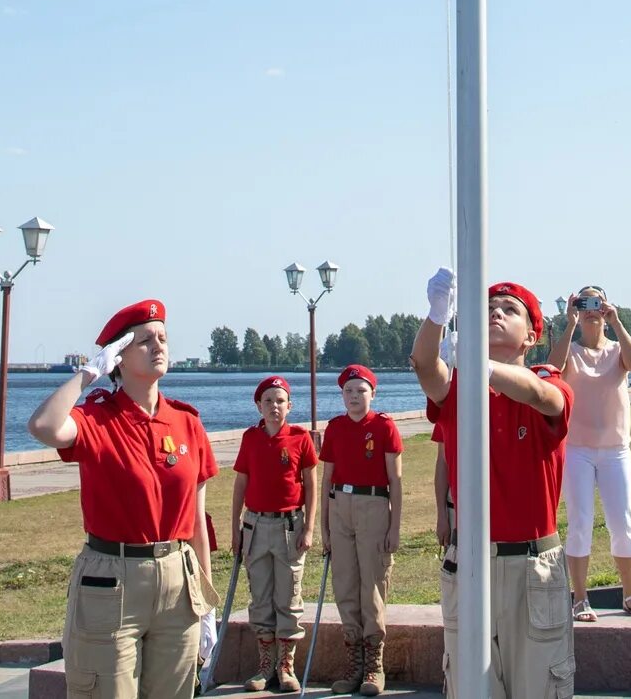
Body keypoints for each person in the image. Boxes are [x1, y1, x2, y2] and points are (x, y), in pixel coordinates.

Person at [26, 299, 216, 699]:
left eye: (163, 338)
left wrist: (207, 605)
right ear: (119, 357)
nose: (158, 346)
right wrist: (88, 373)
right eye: (144, 340)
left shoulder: (187, 423)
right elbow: (43, 425)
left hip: (178, 578)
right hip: (112, 578)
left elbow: (198, 522)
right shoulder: (97, 418)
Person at [410, 269, 572, 699]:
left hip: (532, 568)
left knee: (539, 686)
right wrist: (436, 315)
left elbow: (543, 397)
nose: (496, 313)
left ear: (531, 336)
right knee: (469, 687)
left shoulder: (548, 380)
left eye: (509, 310)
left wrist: (480, 365)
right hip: (470, 563)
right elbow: (426, 367)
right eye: (487, 309)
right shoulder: (460, 387)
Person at [550, 286, 631, 620]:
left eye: (595, 302)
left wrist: (616, 321)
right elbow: (551, 368)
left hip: (616, 450)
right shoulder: (572, 351)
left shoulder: (618, 349)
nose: (590, 310)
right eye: (584, 303)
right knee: (580, 522)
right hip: (577, 449)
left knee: (622, 522)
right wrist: (568, 324)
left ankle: (630, 594)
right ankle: (580, 598)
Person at [231, 376, 319, 692]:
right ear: (258, 405)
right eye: (268, 401)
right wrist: (235, 530)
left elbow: (311, 484)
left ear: (289, 406)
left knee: (288, 598)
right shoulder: (250, 438)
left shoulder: (299, 438)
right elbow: (240, 484)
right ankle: (265, 665)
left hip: (289, 527)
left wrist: (309, 528)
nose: (274, 407)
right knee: (261, 598)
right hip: (255, 526)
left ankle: (285, 666)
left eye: (280, 401)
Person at [319, 364, 403, 697]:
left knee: (372, 585)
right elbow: (326, 480)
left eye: (361, 391)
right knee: (345, 585)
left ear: (373, 393)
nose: (354, 397)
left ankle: (374, 666)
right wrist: (324, 527)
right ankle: (354, 662)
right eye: (349, 392)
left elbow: (395, 481)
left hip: (373, 506)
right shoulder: (336, 428)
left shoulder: (384, 427)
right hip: (341, 506)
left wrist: (395, 527)